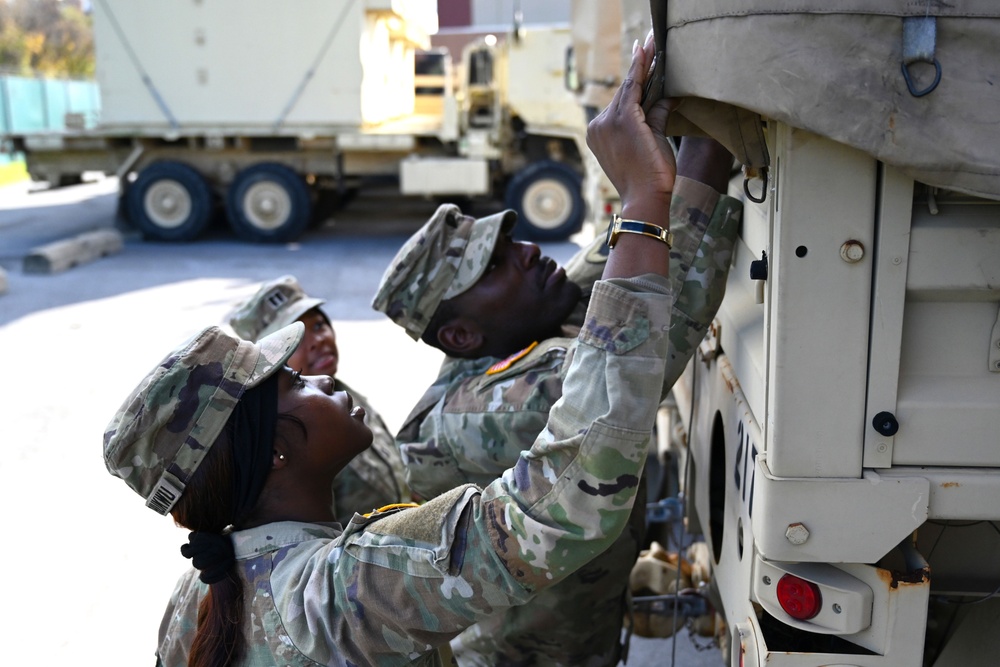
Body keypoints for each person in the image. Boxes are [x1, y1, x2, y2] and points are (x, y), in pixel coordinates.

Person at [105, 34, 689, 666]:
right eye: (293, 386)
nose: (324, 380)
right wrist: (641, 206)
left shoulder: (199, 599)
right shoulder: (343, 591)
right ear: (272, 452)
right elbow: (562, 503)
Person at [371, 57, 741, 667]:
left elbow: (623, 249)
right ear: (463, 336)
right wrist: (716, 107)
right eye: (494, 266)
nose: (528, 253)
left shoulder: (519, 326)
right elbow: (642, 336)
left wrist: (659, 112)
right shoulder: (484, 413)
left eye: (509, 240)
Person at [228, 275, 410, 523]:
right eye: (296, 340)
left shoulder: (344, 392)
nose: (318, 341)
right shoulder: (289, 436)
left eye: (318, 325)